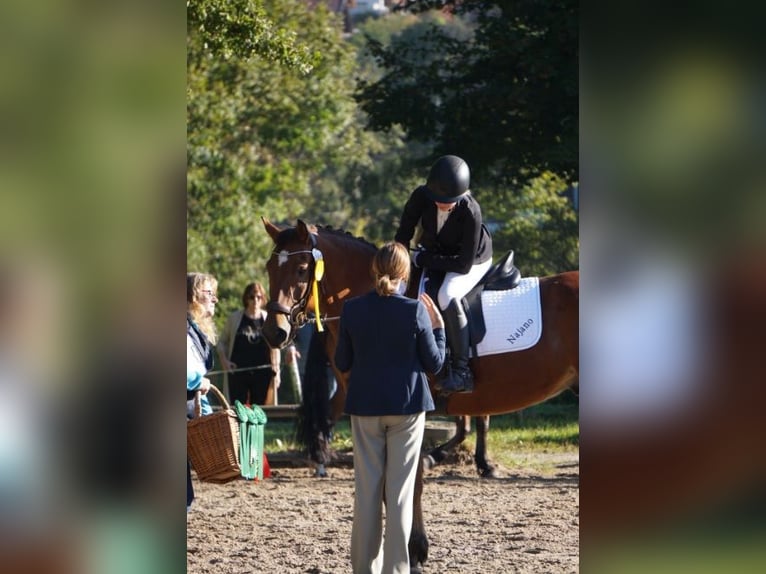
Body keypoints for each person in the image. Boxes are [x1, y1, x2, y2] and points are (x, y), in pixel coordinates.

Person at [335, 241, 445, 574]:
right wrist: (438, 327)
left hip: (365, 407)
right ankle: (396, 569)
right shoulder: (415, 310)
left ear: (374, 270)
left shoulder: (352, 309)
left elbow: (342, 361)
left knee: (367, 493)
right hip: (407, 408)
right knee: (399, 495)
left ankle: (364, 569)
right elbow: (435, 364)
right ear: (404, 273)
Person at [394, 155, 493, 393]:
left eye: (447, 202)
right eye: (437, 199)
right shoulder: (422, 195)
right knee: (398, 290)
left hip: (471, 260)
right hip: (433, 251)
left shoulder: (471, 211)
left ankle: (461, 372)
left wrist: (422, 258)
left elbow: (462, 265)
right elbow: (404, 233)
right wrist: (400, 261)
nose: (440, 204)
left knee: (446, 295)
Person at [216, 282, 281, 406]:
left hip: (263, 373)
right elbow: (221, 343)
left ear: (263, 298)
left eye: (259, 297)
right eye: (252, 297)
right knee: (237, 410)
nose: (255, 300)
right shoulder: (234, 318)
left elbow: (276, 346)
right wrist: (225, 362)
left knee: (261, 410)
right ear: (246, 298)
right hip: (237, 372)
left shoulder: (268, 318)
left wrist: (277, 372)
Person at [187, 272, 218, 511]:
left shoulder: (195, 331)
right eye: (209, 293)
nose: (215, 299)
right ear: (192, 296)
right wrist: (198, 381)